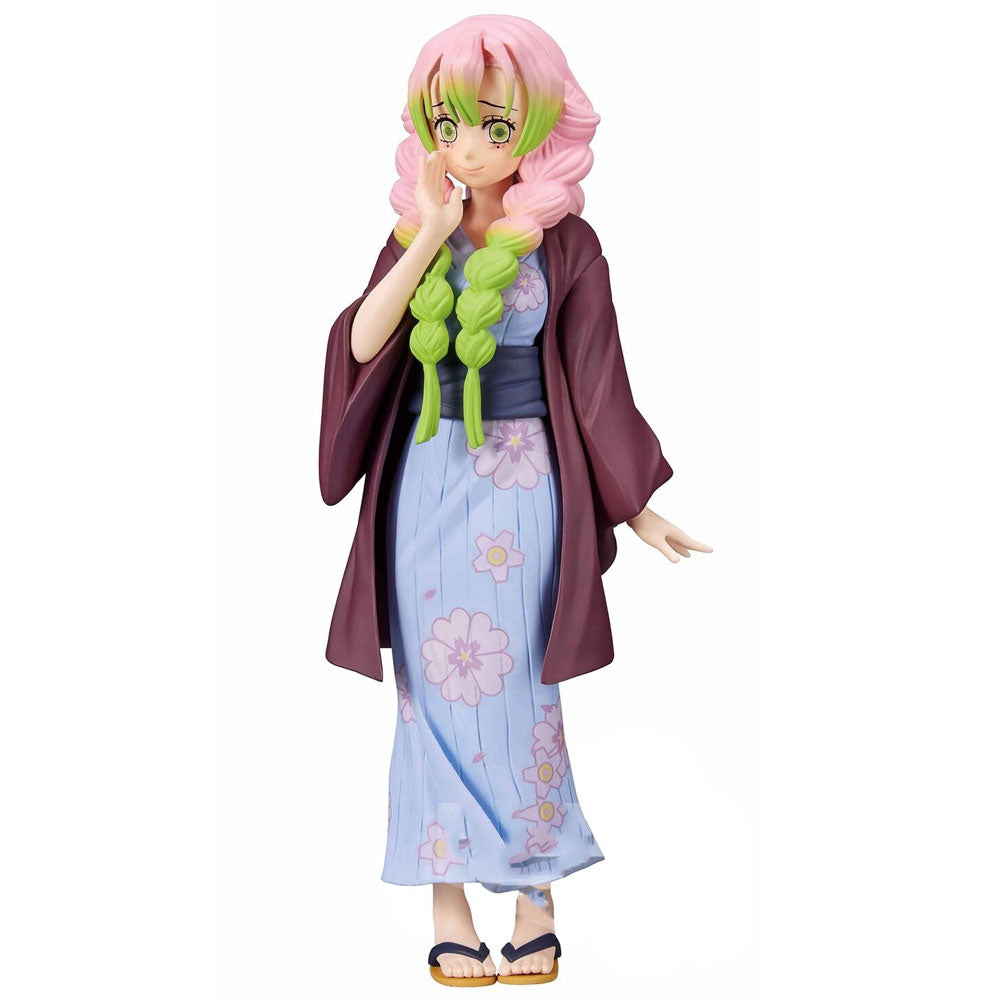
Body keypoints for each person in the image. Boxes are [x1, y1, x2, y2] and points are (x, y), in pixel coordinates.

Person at [319, 15, 712, 986]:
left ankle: (536, 891)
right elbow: (362, 343)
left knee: (521, 690)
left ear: (538, 127)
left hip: (522, 482)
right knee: (426, 696)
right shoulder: (413, 234)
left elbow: (597, 380)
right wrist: (431, 233)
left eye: (494, 126)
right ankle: (448, 900)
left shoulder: (565, 244)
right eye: (448, 123)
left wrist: (637, 507)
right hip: (424, 483)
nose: (468, 147)